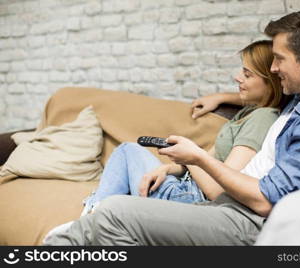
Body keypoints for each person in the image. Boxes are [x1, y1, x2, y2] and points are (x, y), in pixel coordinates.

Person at [44, 9, 300, 246]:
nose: (273, 68)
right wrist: (225, 97)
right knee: (114, 215)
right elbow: (265, 102)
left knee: (115, 212)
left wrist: (196, 158)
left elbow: (266, 201)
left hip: (249, 221)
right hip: (228, 205)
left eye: (279, 59)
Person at [43, 40, 286, 241]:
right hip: (185, 186)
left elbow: (217, 190)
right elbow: (210, 161)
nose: (237, 77)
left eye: (247, 74)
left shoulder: (262, 118)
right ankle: (92, 216)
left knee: (128, 151)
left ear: (270, 81)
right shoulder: (251, 111)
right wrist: (168, 168)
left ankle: (89, 218)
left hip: (190, 199)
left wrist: (190, 159)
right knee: (130, 150)